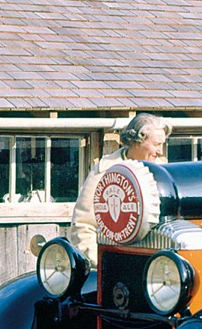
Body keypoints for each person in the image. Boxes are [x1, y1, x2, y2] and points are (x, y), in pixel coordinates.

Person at [67, 113, 170, 266]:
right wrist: (103, 263)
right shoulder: (105, 171)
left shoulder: (163, 172)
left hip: (159, 266)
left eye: (163, 144)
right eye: (156, 145)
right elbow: (83, 226)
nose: (161, 151)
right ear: (137, 141)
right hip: (117, 264)